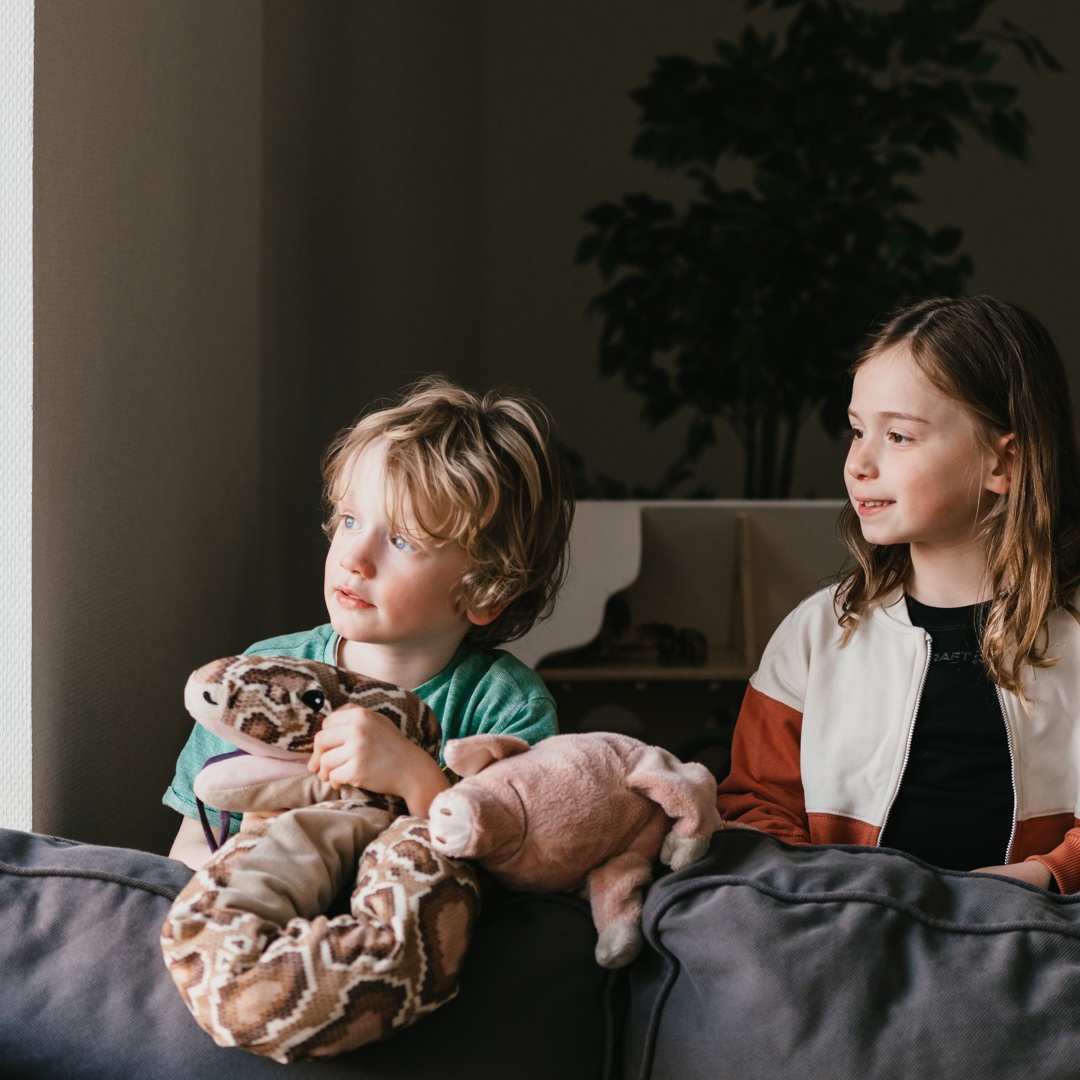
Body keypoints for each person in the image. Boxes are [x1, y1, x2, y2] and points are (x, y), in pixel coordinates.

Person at [717, 295, 1080, 892]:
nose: (859, 462)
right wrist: (824, 897)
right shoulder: (814, 636)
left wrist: (1039, 878)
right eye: (857, 430)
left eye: (899, 436)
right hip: (842, 927)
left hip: (1032, 932)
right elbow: (755, 802)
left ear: (1003, 462)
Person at [165, 376, 574, 869]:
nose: (354, 557)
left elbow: (527, 865)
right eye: (350, 521)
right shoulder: (259, 675)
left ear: (486, 591)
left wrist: (417, 780)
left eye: (403, 541)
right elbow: (188, 849)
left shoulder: (505, 708)